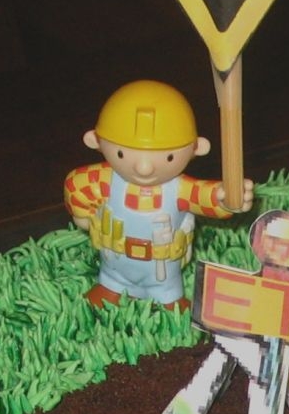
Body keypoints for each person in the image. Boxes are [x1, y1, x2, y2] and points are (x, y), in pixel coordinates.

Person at [63, 80, 254, 308]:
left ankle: (169, 298)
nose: (144, 168)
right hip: (114, 263)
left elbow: (205, 196)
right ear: (95, 141)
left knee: (167, 292)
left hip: (162, 270)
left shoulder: (179, 189)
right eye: (122, 154)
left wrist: (225, 198)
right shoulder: (103, 180)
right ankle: (110, 286)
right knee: (112, 279)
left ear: (197, 148)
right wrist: (82, 215)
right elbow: (76, 186)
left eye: (169, 157)